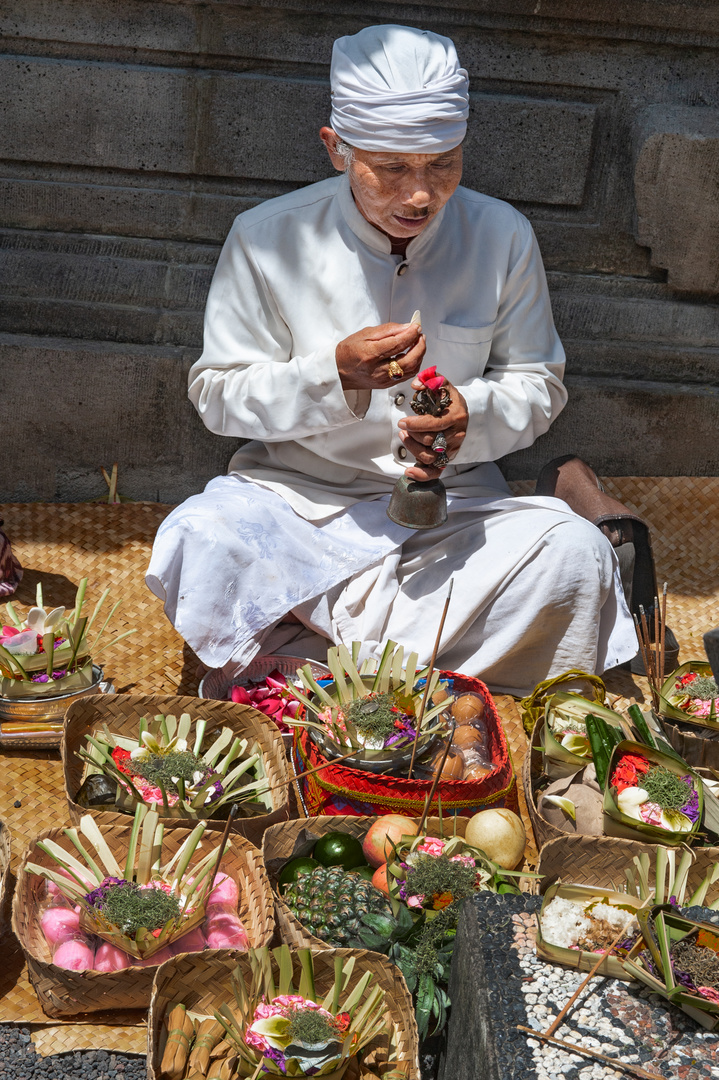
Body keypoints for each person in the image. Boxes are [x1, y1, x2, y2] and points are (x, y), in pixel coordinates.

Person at [147, 23, 636, 696]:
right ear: (336, 150)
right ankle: (423, 671)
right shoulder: (265, 238)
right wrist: (333, 377)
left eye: (442, 164)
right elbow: (218, 395)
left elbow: (537, 385)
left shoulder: (500, 236)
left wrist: (474, 416)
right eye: (393, 168)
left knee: (574, 554)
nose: (419, 194)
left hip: (453, 515)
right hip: (303, 504)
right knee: (199, 539)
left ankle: (319, 670)